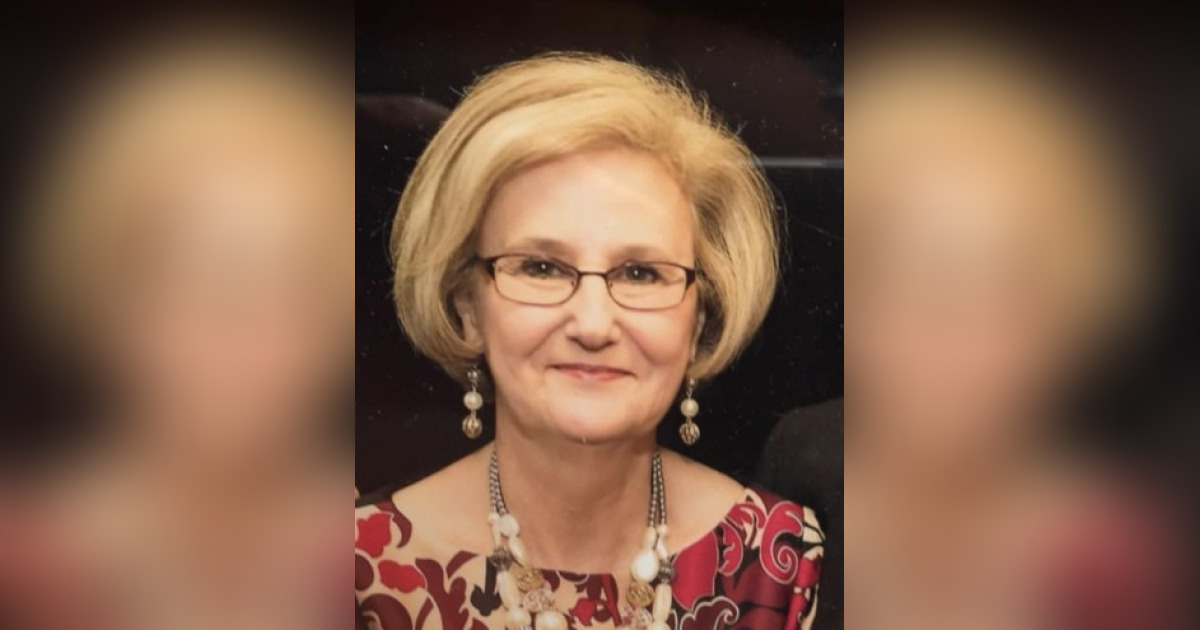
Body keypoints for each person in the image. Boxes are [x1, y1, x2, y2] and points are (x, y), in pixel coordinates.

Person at [354, 53, 824, 630]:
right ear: (468, 308)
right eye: (542, 268)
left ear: (698, 321)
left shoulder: (784, 563)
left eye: (641, 273)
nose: (594, 325)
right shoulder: (353, 571)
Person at [5, 25, 352, 630]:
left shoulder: (365, 551)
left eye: (295, 284)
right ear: (110, 302)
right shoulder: (23, 564)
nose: (251, 335)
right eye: (201, 281)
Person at [840, 26, 1184, 630]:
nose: (943, 328)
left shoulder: (1123, 560)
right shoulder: (806, 473)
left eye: (996, 286)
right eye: (904, 273)